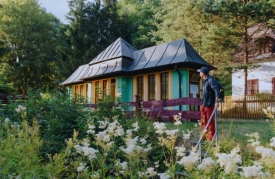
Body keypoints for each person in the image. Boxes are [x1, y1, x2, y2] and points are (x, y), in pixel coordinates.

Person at [197, 67, 220, 141]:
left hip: (209, 104)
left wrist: (217, 101)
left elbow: (216, 90)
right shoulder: (204, 80)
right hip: (204, 104)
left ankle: (211, 137)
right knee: (203, 120)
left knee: (210, 121)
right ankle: (205, 136)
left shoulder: (210, 80)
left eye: (200, 72)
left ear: (203, 73)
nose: (199, 73)